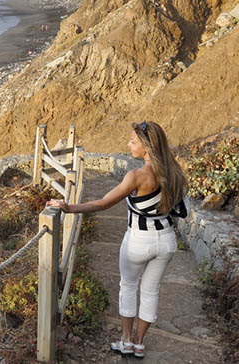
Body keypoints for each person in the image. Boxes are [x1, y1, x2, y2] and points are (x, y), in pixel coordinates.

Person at [48, 121, 187, 359]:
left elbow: (103, 203)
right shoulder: (175, 172)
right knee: (151, 291)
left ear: (146, 147)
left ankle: (125, 340)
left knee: (128, 287)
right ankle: (140, 343)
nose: (128, 144)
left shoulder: (136, 176)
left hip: (139, 240)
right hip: (166, 240)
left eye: (133, 141)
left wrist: (68, 207)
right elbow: (180, 210)